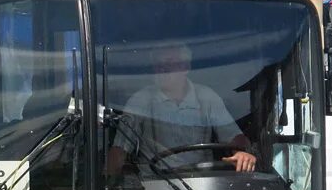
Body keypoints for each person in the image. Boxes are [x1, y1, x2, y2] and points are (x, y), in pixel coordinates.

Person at [106, 44, 257, 174]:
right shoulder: (141, 100)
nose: (163, 69)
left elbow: (233, 136)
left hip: (203, 185)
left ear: (186, 67)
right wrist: (109, 183)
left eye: (170, 63)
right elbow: (120, 149)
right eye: (158, 65)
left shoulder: (207, 97)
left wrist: (241, 153)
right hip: (154, 187)